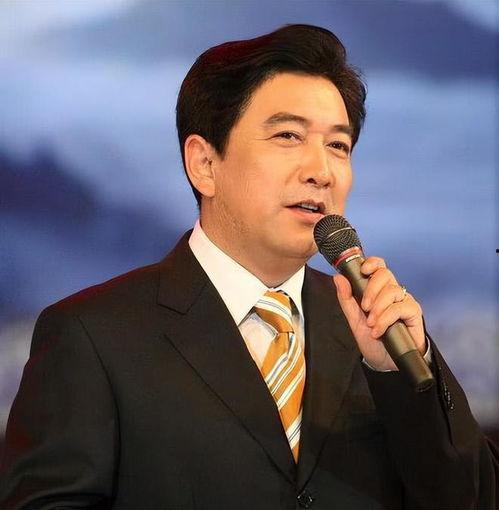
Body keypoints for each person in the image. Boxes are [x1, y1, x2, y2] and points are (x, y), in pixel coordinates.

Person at [0, 24, 496, 510]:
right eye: (288, 135)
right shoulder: (91, 336)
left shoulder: (375, 332)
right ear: (204, 164)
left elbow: (473, 498)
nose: (321, 171)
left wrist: (399, 375)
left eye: (338, 146)